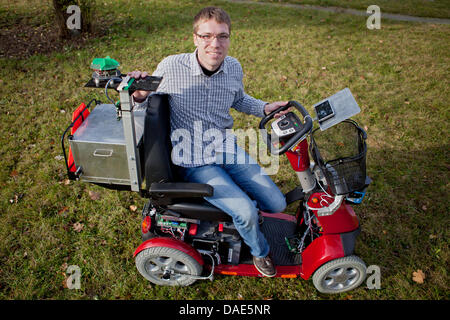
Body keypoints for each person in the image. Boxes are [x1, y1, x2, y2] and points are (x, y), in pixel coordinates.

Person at [129, 6, 288, 277]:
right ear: (195, 38)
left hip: (225, 148)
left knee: (277, 205)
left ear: (229, 38)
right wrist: (139, 94)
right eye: (206, 36)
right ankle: (260, 253)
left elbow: (238, 99)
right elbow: (139, 104)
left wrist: (264, 107)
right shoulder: (171, 67)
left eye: (222, 36)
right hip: (192, 158)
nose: (215, 44)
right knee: (247, 212)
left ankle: (238, 212)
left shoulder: (234, 66)